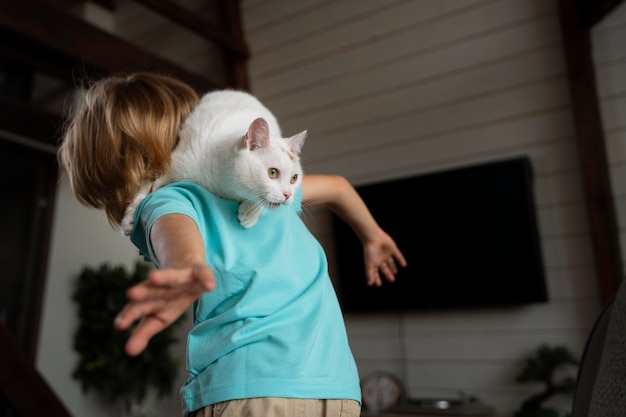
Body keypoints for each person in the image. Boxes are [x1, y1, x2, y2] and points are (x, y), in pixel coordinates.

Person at [58, 72, 407, 417]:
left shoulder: (241, 191)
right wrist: (371, 234)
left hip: (274, 390)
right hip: (325, 388)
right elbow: (338, 188)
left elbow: (338, 188)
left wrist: (373, 237)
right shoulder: (201, 198)